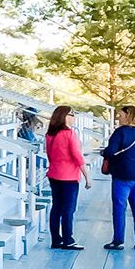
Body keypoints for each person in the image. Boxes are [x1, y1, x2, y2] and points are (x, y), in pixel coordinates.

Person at [101, 104, 135, 250]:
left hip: (122, 175)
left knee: (119, 207)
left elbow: (110, 151)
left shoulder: (120, 132)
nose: (118, 118)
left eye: (121, 115)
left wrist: (104, 153)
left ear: (128, 116)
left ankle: (118, 241)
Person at [45, 105, 91, 250]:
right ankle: (68, 239)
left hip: (54, 174)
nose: (74, 117)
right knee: (68, 209)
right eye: (71, 114)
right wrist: (87, 176)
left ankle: (56, 239)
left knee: (56, 207)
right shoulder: (70, 134)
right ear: (64, 116)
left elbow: (50, 154)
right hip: (69, 176)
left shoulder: (50, 134)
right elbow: (77, 156)